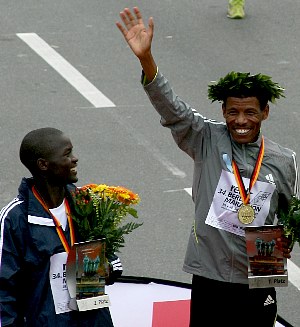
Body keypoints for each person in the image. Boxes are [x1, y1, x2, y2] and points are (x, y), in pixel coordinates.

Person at [116, 7, 299, 327]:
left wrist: (283, 246)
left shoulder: (283, 160)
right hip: (210, 275)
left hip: (260, 277)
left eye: (250, 113)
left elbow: (288, 215)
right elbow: (173, 109)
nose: (240, 121)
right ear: (223, 111)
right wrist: (146, 59)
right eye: (233, 112)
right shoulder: (206, 138)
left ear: (265, 113)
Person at [0, 127, 122, 327]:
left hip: (93, 319)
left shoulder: (85, 203)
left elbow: (112, 260)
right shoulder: (15, 219)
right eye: (67, 154)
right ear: (43, 165)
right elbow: (4, 289)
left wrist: (108, 268)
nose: (75, 159)